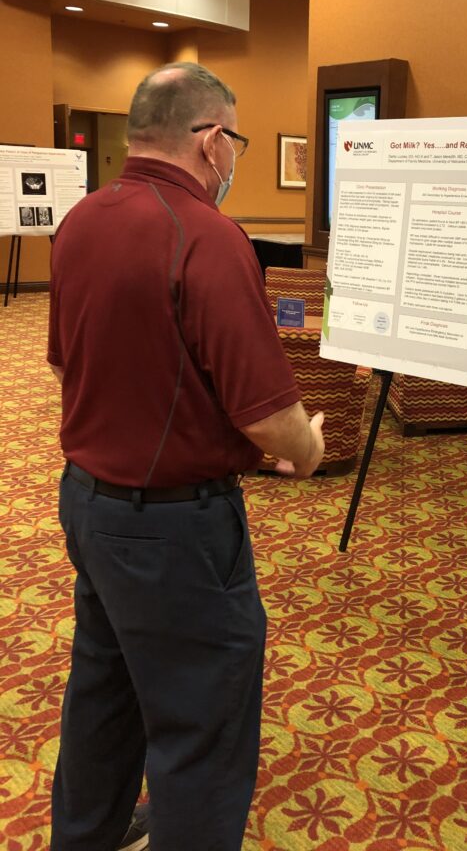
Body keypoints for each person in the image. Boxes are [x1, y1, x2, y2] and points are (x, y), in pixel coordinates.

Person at [47, 62, 325, 851]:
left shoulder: (81, 221)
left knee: (105, 689)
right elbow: (273, 417)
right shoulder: (208, 235)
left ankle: (86, 836)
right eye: (233, 140)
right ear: (209, 141)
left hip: (87, 504)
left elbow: (70, 365)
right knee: (204, 723)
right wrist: (307, 451)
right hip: (174, 533)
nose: (232, 158)